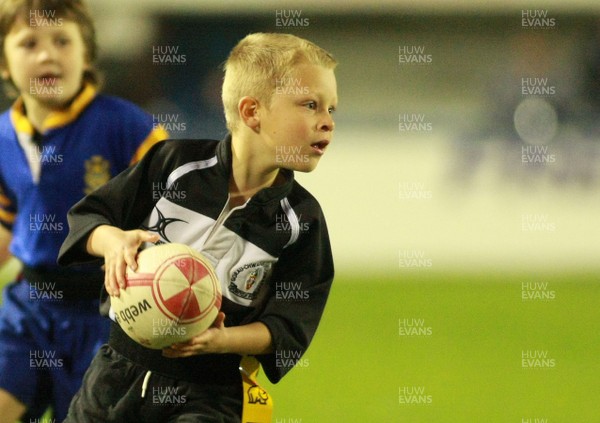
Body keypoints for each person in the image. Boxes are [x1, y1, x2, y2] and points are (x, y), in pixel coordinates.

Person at [57, 32, 338, 422]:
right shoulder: (174, 165)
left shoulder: (301, 222)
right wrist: (114, 242)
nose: (326, 122)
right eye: (311, 105)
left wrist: (222, 340)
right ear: (252, 112)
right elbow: (89, 219)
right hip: (115, 372)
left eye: (331, 110)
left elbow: (287, 328)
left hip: (210, 393)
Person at [0, 0, 168, 421]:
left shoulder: (129, 127)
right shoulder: (1, 137)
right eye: (29, 42)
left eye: (62, 40)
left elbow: (173, 214)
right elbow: (5, 225)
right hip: (28, 307)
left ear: (87, 55)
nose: (47, 53)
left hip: (108, 314)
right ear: (4, 63)